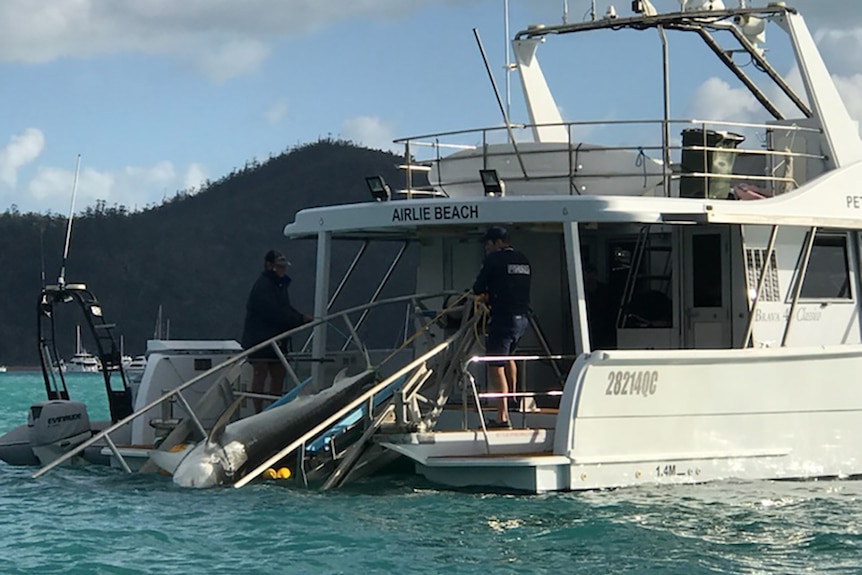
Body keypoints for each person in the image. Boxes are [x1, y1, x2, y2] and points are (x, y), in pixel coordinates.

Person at [471, 226, 531, 428]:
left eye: (488, 244)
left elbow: (478, 287)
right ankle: (513, 400)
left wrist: (485, 295)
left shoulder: (493, 260)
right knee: (509, 358)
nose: (487, 248)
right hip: (521, 320)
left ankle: (502, 417)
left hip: (502, 319)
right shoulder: (523, 259)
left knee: (495, 365)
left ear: (498, 242)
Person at [241, 249, 311, 413]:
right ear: (269, 265)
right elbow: (273, 311)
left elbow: (283, 309)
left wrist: (299, 317)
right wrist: (298, 319)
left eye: (284, 267)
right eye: (279, 266)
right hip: (260, 338)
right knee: (261, 373)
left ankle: (275, 410)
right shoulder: (263, 286)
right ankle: (258, 412)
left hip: (276, 337)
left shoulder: (279, 285)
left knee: (278, 373)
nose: (282, 270)